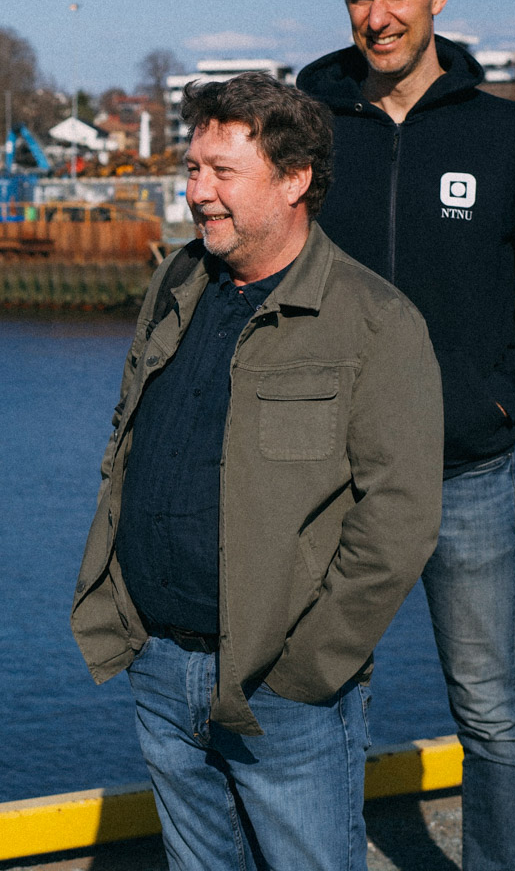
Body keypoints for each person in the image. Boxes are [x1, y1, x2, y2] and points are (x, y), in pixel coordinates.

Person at [72, 72, 444, 871]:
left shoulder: (374, 322)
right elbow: (127, 435)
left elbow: (400, 518)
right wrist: (127, 617)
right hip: (160, 663)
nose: (198, 192)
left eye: (222, 172)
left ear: (295, 179)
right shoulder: (178, 282)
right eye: (193, 168)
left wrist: (308, 667)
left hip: (282, 691)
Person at [297, 0, 515, 871]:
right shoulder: (310, 122)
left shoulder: (508, 135)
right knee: (324, 698)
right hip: (334, 479)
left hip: (468, 472)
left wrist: (496, 402)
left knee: (491, 710)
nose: (377, 17)